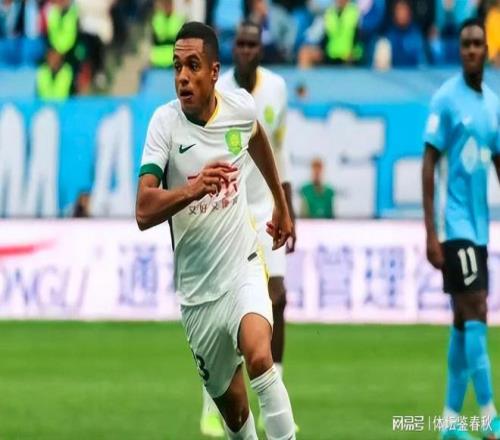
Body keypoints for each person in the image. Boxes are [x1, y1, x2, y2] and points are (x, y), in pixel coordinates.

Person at [136, 21, 296, 440]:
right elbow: (143, 210)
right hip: (197, 295)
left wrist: (280, 204)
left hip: (242, 266)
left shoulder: (239, 108)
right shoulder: (164, 124)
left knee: (260, 357)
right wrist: (191, 190)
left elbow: (258, 137)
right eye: (176, 67)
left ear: (213, 71)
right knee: (237, 416)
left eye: (192, 66)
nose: (182, 77)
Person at [213, 20, 296, 437]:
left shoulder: (277, 88)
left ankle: (272, 387)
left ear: (261, 49)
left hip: (265, 208)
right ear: (233, 49)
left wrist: (287, 207)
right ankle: (216, 400)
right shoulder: (218, 90)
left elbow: (280, 149)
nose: (246, 50)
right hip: (230, 211)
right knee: (228, 313)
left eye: (252, 44)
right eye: (240, 44)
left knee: (278, 297)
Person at [422, 18, 500, 440]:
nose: (471, 50)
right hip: (454, 227)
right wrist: (430, 233)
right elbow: (429, 164)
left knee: (461, 319)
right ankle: (489, 416)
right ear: (459, 50)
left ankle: (451, 422)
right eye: (465, 44)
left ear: (486, 50)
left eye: (477, 44)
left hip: (480, 228)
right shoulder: (446, 100)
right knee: (478, 309)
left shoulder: (493, 105)